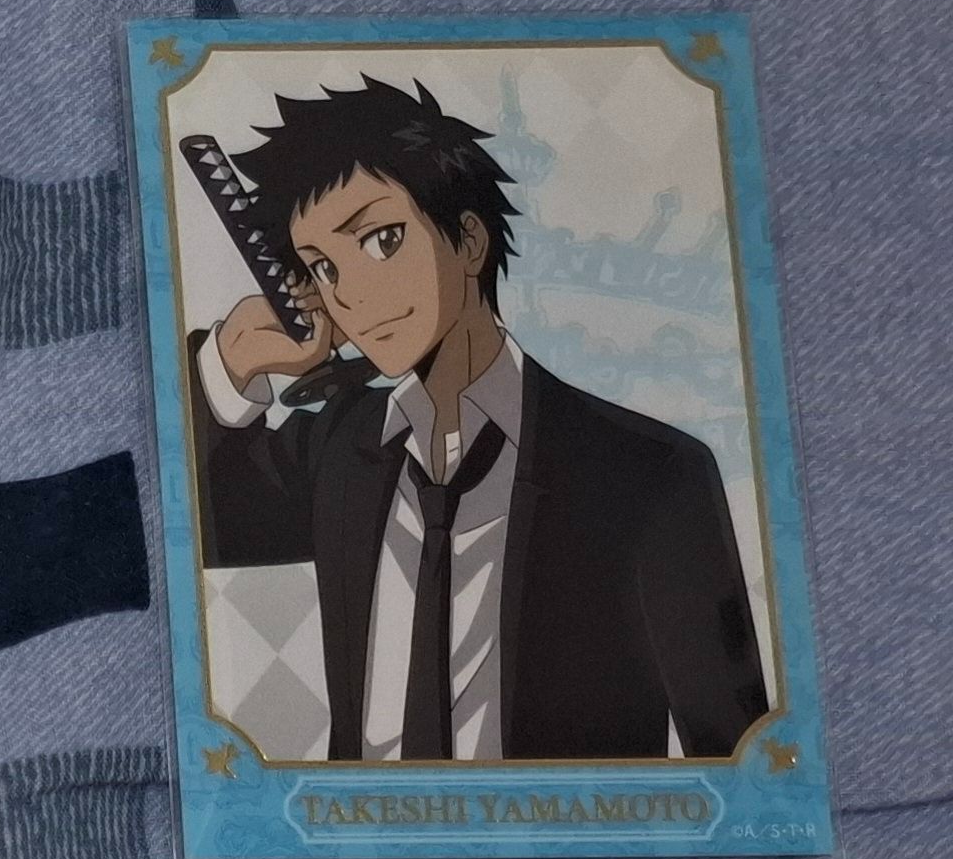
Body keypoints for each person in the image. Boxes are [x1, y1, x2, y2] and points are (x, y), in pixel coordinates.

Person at [184, 77, 766, 759]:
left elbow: (735, 755)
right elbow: (194, 528)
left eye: (381, 241)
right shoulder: (339, 447)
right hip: (360, 827)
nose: (355, 295)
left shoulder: (649, 475)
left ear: (468, 240)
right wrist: (230, 362)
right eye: (324, 269)